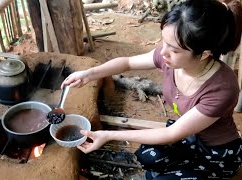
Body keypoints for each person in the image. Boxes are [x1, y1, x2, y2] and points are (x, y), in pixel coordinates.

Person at [61, 0, 242, 179]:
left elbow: (171, 134)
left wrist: (107, 135)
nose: (163, 53)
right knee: (147, 155)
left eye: (174, 49)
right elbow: (127, 62)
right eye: (164, 42)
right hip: (190, 136)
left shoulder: (222, 89)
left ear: (204, 54)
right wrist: (89, 74)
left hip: (215, 153)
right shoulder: (170, 58)